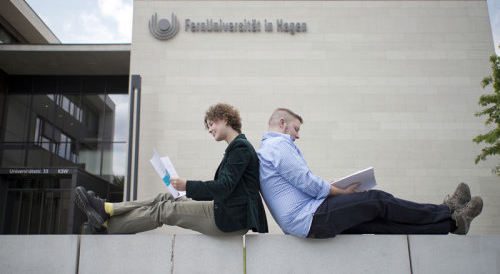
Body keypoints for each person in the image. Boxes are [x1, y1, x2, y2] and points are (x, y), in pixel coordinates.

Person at [257, 108, 483, 239]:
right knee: (377, 200)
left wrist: (332, 187)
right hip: (309, 218)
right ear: (282, 122)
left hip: (305, 221)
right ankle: (448, 209)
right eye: (296, 129)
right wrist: (341, 191)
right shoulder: (277, 146)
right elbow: (307, 183)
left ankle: (454, 224)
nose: (297, 135)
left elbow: (302, 185)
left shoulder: (270, 150)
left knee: (379, 223)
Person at [74, 103, 268, 236]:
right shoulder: (236, 148)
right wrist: (184, 189)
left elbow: (224, 187)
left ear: (225, 119)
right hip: (227, 211)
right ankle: (107, 209)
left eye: (211, 124)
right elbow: (226, 188)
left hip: (231, 219)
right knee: (164, 198)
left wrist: (187, 185)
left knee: (164, 210)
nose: (209, 130)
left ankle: (106, 226)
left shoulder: (240, 148)